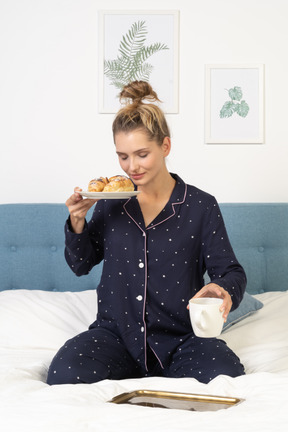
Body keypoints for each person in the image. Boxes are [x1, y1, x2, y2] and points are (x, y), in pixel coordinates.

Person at [47, 81, 246, 385]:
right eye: (123, 156)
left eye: (141, 154)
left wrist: (222, 289)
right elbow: (80, 264)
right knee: (64, 371)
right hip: (116, 336)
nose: (132, 167)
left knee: (225, 374)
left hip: (182, 338)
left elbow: (230, 271)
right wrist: (77, 219)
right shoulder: (111, 204)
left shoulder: (200, 206)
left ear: (165, 146)